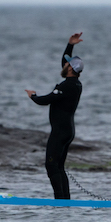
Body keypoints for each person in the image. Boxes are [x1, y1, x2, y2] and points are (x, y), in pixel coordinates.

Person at [25, 32, 84, 200]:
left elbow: (46, 100)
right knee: (58, 167)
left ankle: (61, 201)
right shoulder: (75, 83)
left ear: (71, 69)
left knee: (52, 167)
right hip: (67, 130)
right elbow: (65, 63)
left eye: (67, 65)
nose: (64, 65)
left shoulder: (67, 86)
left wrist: (33, 96)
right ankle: (65, 201)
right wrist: (70, 44)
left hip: (60, 132)